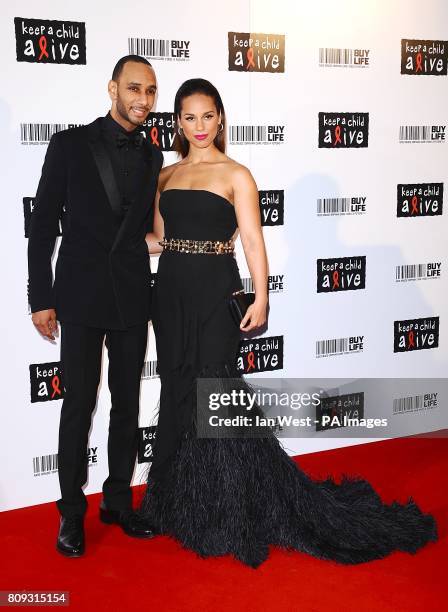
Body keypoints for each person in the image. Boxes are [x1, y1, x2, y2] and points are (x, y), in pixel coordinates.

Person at [140, 78, 438, 568]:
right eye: (188, 117)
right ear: (177, 122)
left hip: (215, 292)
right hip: (169, 293)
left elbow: (254, 241)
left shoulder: (236, 174)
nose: (199, 126)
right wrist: (106, 246)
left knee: (214, 391)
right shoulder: (165, 178)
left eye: (207, 116)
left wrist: (262, 295)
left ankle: (226, 510)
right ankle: (174, 503)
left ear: (220, 119)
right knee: (175, 388)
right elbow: (158, 238)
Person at [28, 55, 163, 557]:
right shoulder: (69, 144)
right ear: (112, 89)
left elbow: (145, 227)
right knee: (78, 406)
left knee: (127, 406)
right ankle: (70, 513)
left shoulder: (153, 157)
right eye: (134, 89)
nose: (143, 101)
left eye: (150, 91)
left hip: (132, 294)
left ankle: (117, 503)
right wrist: (40, 298)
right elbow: (42, 226)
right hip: (79, 296)